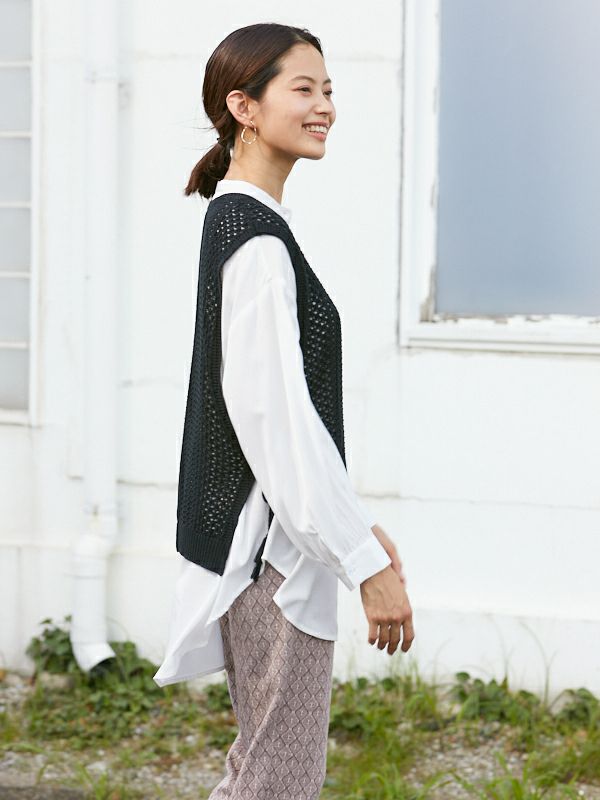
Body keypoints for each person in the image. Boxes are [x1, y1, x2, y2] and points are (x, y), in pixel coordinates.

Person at [153, 22, 414, 799]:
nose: (325, 105)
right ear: (244, 106)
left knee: (263, 775)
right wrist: (364, 564)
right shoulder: (257, 242)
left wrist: (356, 527)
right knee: (278, 782)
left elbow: (283, 422)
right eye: (303, 89)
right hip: (275, 562)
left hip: (271, 551)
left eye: (328, 89)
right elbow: (277, 427)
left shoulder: (244, 224)